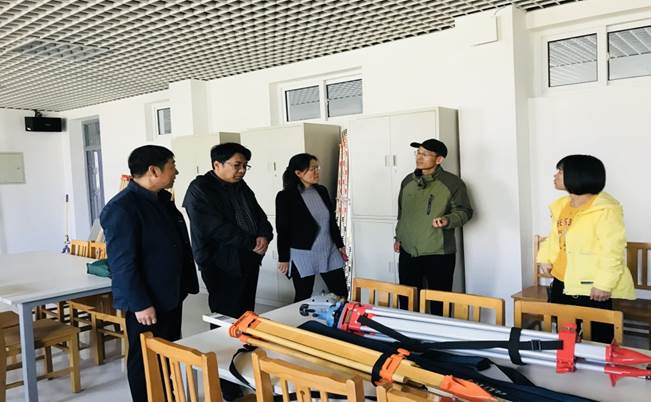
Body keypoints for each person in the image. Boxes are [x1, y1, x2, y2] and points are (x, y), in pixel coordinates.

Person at [100, 145, 199, 402]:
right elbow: (122, 263)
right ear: (154, 171)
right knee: (144, 359)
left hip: (170, 293)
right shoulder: (122, 208)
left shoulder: (161, 200)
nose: (176, 172)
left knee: (166, 350)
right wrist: (140, 303)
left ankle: (164, 395)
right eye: (172, 166)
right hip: (147, 301)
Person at [182, 142, 272, 400]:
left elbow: (260, 216)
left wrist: (265, 235)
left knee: (246, 318)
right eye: (237, 165)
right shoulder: (200, 189)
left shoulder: (241, 186)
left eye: (245, 166)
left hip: (248, 260)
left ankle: (243, 370)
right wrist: (251, 242)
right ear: (217, 165)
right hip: (221, 264)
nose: (241, 170)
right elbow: (214, 227)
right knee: (225, 322)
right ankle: (226, 382)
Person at [537, 154, 635, 343]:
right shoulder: (562, 206)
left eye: (561, 171)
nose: (555, 175)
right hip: (561, 281)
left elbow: (612, 250)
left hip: (591, 286)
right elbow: (555, 237)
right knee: (565, 338)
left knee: (598, 339)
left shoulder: (605, 210)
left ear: (578, 175)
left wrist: (604, 284)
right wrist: (544, 258)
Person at [394, 139, 473, 314]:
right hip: (408, 251)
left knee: (439, 305)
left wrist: (448, 220)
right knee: (407, 302)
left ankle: (438, 331)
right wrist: (398, 237)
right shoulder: (407, 181)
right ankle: (409, 332)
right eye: (418, 153)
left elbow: (465, 212)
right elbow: (402, 213)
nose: (419, 157)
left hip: (438, 252)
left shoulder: (453, 183)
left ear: (439, 159)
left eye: (425, 154)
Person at [275, 153, 349, 302]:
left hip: (328, 249)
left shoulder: (321, 190)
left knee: (341, 293)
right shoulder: (285, 196)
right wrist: (283, 258)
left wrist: (340, 245)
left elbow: (331, 221)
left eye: (317, 168)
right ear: (298, 173)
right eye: (312, 169)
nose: (316, 172)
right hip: (303, 253)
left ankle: (339, 317)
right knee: (303, 296)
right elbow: (282, 229)